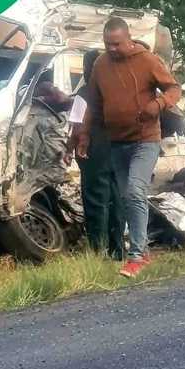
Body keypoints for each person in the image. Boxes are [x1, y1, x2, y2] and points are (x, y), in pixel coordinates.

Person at [74, 17, 181, 278]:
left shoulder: (147, 61)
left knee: (134, 191)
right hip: (117, 142)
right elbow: (94, 105)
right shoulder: (101, 65)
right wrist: (85, 135)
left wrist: (158, 104)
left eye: (116, 44)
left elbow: (173, 88)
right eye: (107, 44)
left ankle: (136, 256)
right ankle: (140, 249)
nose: (111, 48)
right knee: (126, 197)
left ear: (128, 39)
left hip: (145, 139)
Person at [65, 49, 125, 260]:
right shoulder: (117, 90)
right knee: (117, 200)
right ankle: (118, 252)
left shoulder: (84, 93)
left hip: (93, 152)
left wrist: (68, 149)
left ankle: (98, 253)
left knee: (96, 201)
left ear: (86, 68)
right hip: (118, 151)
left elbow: (77, 125)